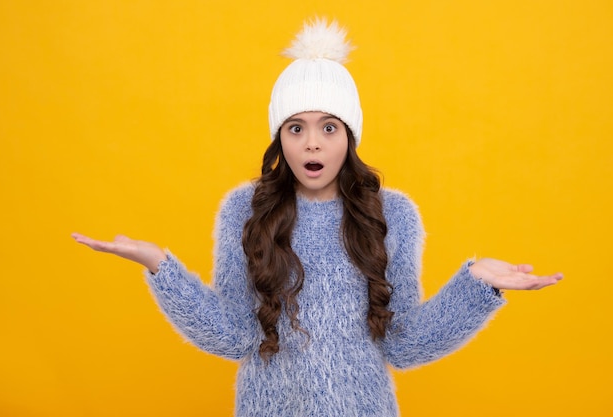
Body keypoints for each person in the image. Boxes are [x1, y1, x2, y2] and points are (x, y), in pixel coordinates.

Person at [72, 18, 562, 417]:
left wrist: (476, 286)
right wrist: (162, 268)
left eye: (329, 127)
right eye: (296, 127)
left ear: (349, 135)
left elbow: (404, 344)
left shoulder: (392, 216)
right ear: (279, 137)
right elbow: (234, 333)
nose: (312, 142)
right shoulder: (246, 211)